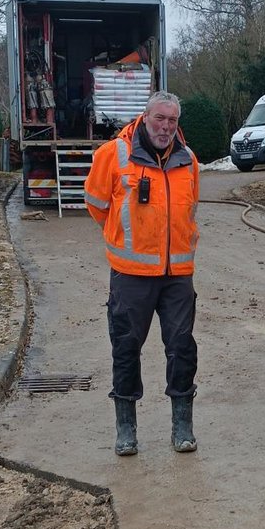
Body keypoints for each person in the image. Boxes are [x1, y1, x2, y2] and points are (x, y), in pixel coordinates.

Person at [84, 91, 200, 456]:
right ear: (145, 117)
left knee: (182, 347)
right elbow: (97, 204)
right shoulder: (113, 155)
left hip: (177, 274)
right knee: (126, 348)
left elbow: (191, 207)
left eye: (172, 120)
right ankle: (126, 428)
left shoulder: (189, 161)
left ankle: (182, 425)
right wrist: (126, 240)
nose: (165, 127)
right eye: (160, 118)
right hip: (131, 275)